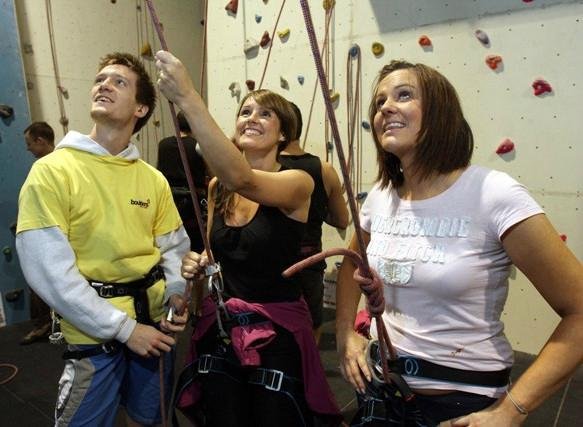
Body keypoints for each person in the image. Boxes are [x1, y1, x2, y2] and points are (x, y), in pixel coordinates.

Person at [335, 60, 583, 426]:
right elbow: (350, 264)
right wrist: (344, 335)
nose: (384, 107)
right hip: (381, 392)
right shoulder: (380, 196)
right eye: (379, 101)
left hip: (461, 407)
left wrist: (512, 411)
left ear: (440, 114)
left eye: (403, 95)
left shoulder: (493, 194)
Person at [155, 50, 341, 426]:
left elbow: (246, 180)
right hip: (224, 326)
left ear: (284, 133)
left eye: (265, 113)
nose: (252, 118)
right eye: (245, 112)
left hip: (277, 331)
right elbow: (213, 253)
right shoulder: (216, 186)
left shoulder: (298, 181)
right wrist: (199, 262)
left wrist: (188, 98)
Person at [16, 52, 190, 426]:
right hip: (96, 337)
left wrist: (177, 290)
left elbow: (174, 246)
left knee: (152, 420)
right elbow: (49, 271)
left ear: (141, 108)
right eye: (100, 79)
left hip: (155, 326)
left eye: (119, 82)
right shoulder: (53, 172)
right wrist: (124, 329)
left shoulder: (151, 179)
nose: (103, 85)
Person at [279, 102, 348, 343]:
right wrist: (317, 210)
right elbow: (342, 219)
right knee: (311, 327)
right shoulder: (324, 169)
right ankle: (310, 374)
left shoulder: (266, 172)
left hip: (273, 262)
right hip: (310, 261)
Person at [18, 121, 55, 345]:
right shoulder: (59, 163)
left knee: (36, 278)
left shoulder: (46, 167)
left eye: (29, 143)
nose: (28, 148)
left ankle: (43, 324)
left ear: (40, 141)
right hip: (51, 230)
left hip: (51, 232)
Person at [157, 110, 209, 253]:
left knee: (172, 240)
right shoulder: (197, 146)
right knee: (196, 242)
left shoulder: (164, 144)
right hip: (193, 201)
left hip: (169, 199)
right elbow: (209, 172)